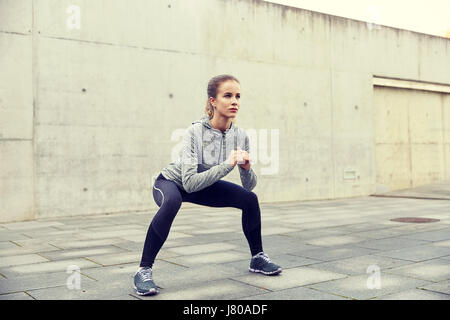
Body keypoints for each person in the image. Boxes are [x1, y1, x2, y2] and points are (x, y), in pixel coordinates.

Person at [133, 74, 282, 296]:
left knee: (249, 200)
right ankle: (143, 271)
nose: (235, 101)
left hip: (203, 183)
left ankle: (258, 258)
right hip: (171, 182)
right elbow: (190, 183)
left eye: (238, 96)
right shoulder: (195, 132)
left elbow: (249, 186)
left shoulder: (240, 136)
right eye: (228, 95)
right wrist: (227, 164)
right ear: (213, 101)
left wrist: (247, 168)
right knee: (172, 202)